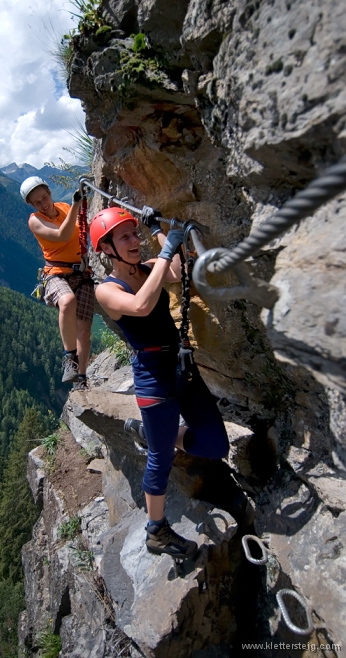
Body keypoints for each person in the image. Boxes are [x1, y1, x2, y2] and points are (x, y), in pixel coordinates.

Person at [90, 206, 230, 560]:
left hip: (181, 368)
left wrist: (158, 232)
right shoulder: (107, 290)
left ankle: (156, 435)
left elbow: (180, 271)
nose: (134, 241)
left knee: (215, 445)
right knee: (160, 458)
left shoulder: (149, 268)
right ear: (106, 248)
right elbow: (139, 304)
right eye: (125, 237)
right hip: (153, 377)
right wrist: (166, 252)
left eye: (135, 233)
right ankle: (156, 530)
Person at [20, 176, 94, 387]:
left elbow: (81, 228)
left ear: (50, 193)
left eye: (45, 197)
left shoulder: (63, 207)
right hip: (55, 273)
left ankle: (81, 377)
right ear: (32, 205)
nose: (44, 204)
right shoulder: (35, 220)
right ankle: (69, 358)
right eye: (38, 202)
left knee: (84, 331)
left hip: (82, 272)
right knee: (67, 301)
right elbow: (62, 235)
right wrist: (77, 206)